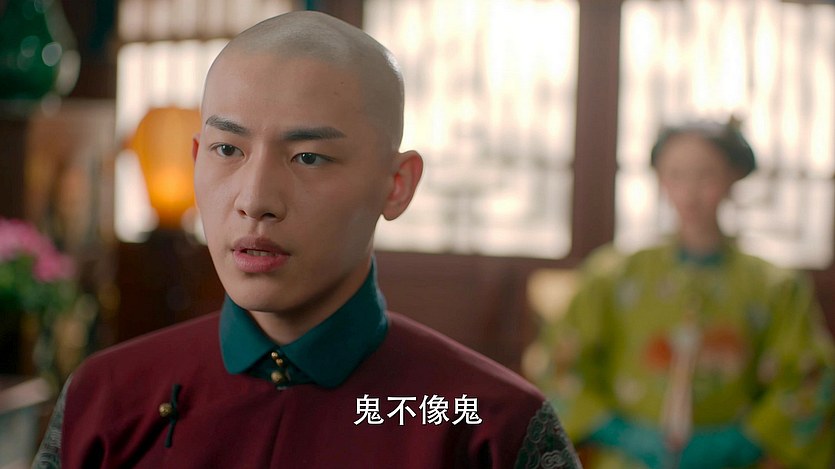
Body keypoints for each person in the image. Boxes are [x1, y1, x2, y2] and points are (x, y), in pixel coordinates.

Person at [31, 10, 580, 469]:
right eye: (228, 150)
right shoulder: (105, 399)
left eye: (309, 157)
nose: (255, 200)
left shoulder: (492, 427)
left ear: (396, 185)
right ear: (197, 158)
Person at [529, 119, 835, 468]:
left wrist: (745, 440)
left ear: (733, 177)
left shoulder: (776, 287)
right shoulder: (611, 276)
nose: (690, 192)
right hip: (625, 460)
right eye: (676, 175)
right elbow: (559, 366)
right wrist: (616, 431)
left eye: (706, 175)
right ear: (660, 179)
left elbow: (810, 379)